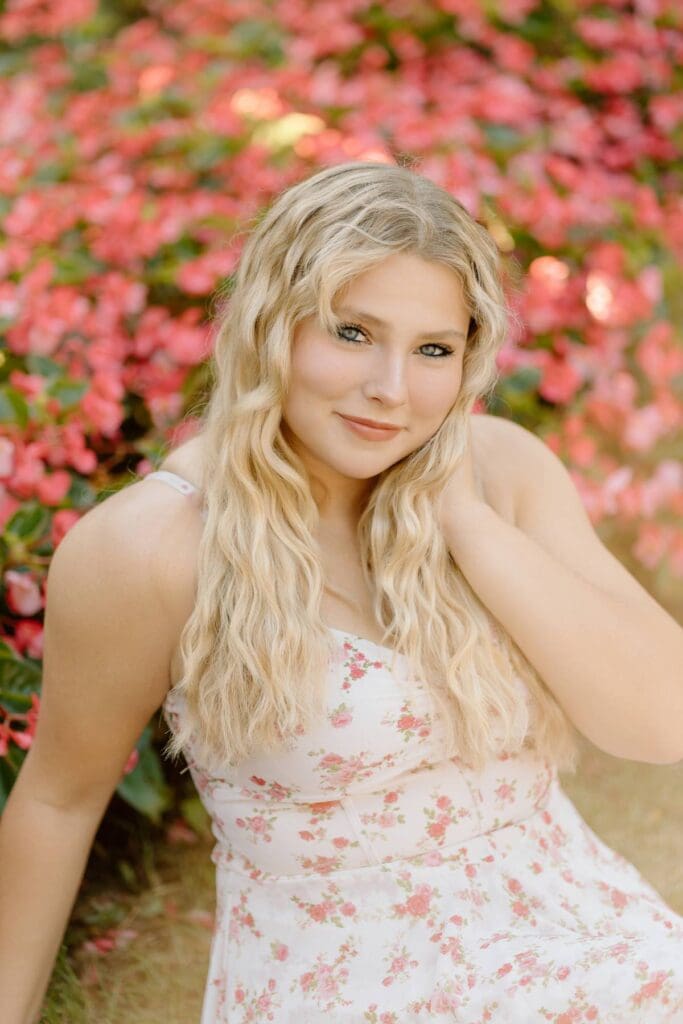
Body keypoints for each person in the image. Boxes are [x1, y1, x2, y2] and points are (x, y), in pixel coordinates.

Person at [1, 161, 682, 1024]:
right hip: (355, 981)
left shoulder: (501, 471)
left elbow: (660, 723)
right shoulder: (153, 548)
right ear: (269, 324)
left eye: (432, 349)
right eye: (352, 332)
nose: (390, 390)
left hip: (586, 935)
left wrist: (466, 524)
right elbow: (60, 799)